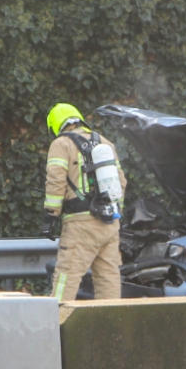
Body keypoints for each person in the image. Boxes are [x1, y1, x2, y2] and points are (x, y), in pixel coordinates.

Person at [43, 103, 128, 301]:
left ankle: (58, 326)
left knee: (66, 277)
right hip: (110, 222)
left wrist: (50, 216)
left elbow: (55, 183)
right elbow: (121, 182)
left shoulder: (61, 144)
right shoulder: (104, 142)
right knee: (108, 278)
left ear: (55, 125)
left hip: (80, 225)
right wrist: (117, 213)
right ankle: (111, 327)